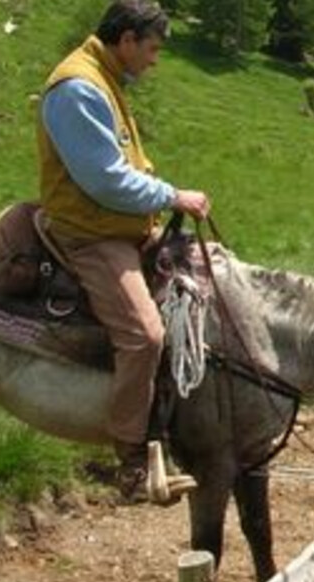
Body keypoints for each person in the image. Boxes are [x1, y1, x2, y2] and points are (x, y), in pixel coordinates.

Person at [36, 0, 207, 504]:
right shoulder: (79, 88)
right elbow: (105, 181)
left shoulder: (106, 79)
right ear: (127, 40)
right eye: (151, 48)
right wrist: (172, 196)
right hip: (91, 232)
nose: (154, 60)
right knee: (143, 335)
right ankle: (131, 457)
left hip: (121, 226)